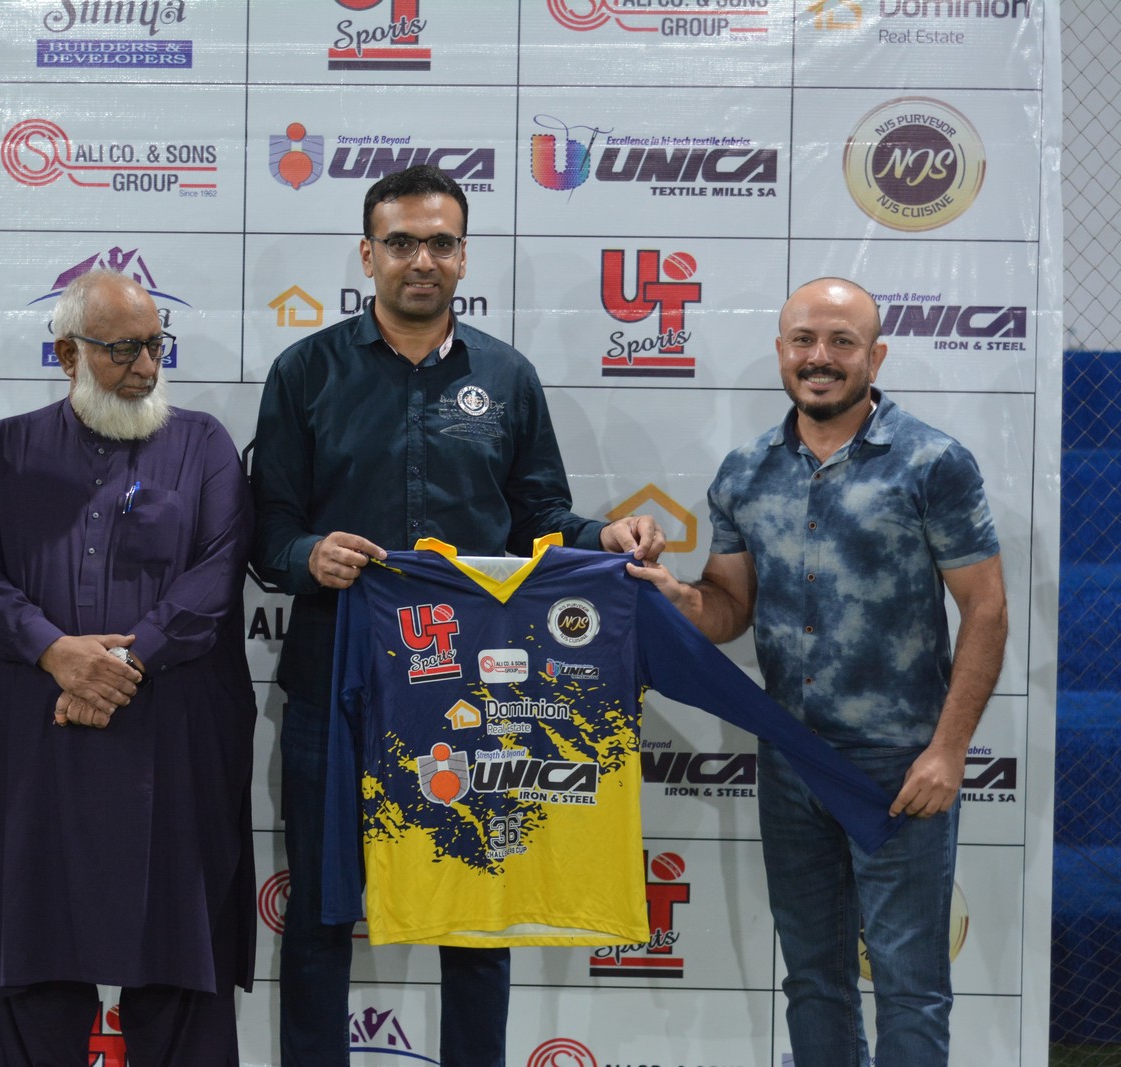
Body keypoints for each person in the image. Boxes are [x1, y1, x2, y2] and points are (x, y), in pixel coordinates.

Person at [250, 164, 664, 1066]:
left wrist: (604, 534)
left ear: (464, 256)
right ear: (367, 255)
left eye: (440, 242)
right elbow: (267, 531)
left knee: (477, 911)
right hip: (335, 687)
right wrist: (308, 554)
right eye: (401, 242)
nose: (421, 260)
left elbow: (539, 519)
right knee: (321, 912)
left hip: (469, 698)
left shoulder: (507, 376)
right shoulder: (304, 372)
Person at [630, 277, 1008, 1066]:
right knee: (813, 980)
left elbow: (986, 609)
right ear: (781, 350)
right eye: (804, 339)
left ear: (876, 355)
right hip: (791, 758)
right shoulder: (744, 470)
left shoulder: (933, 462)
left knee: (910, 984)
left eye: (842, 341)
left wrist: (948, 750)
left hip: (899, 767)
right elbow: (728, 607)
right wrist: (675, 597)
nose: (820, 357)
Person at [0, 269, 256, 1067]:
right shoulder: (4, 450)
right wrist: (57, 653)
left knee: (182, 966)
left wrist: (119, 663)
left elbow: (216, 577)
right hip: (34, 745)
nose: (146, 367)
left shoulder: (206, 446)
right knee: (30, 957)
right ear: (66, 354)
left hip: (171, 744)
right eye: (122, 350)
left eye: (155, 345)